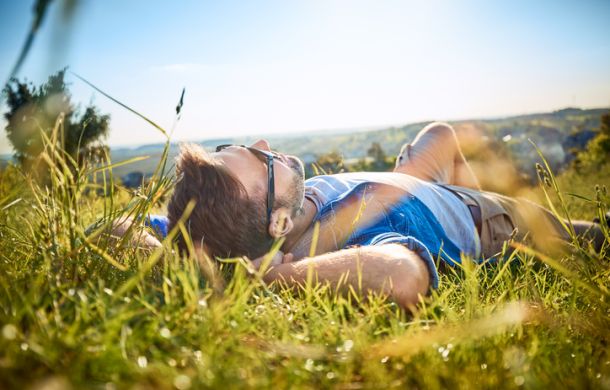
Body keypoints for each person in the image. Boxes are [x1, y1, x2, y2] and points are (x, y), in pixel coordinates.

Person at [141, 122, 604, 310]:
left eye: (237, 149)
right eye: (262, 163)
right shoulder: (349, 238)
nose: (264, 145)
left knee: (441, 133)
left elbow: (117, 228)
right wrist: (265, 280)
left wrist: (187, 262)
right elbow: (402, 278)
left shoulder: (222, 229)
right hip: (481, 218)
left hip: (412, 178)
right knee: (587, 237)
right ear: (278, 225)